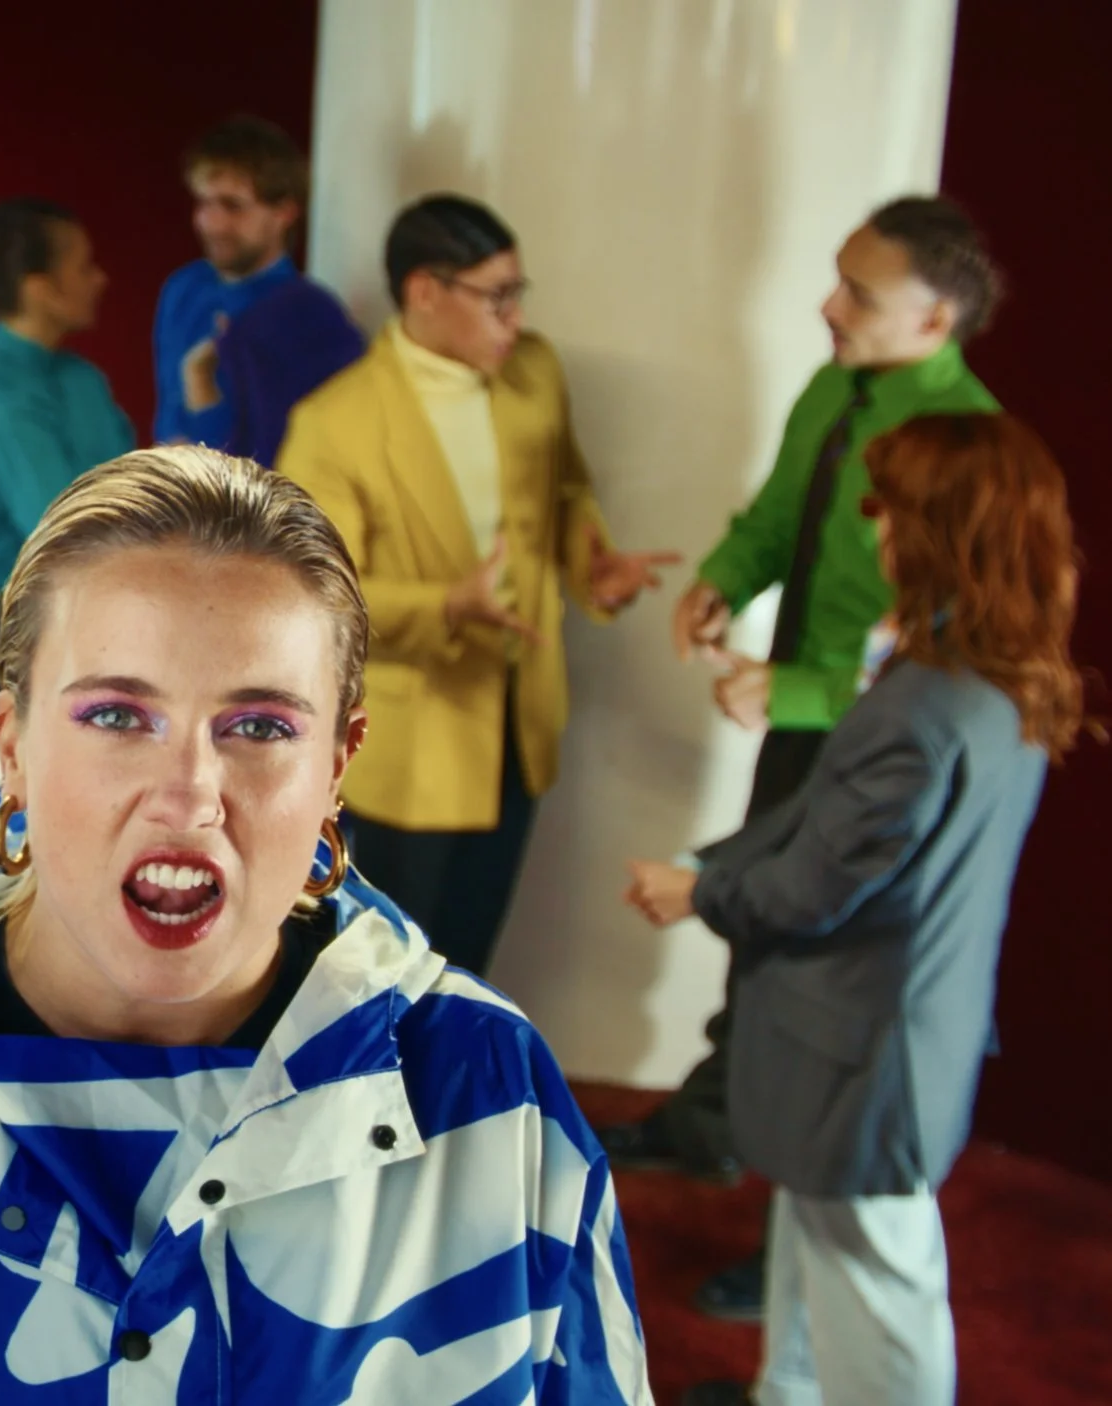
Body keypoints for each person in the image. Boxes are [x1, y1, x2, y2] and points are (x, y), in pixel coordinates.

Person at [0, 447, 653, 1402]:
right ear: (9, 745)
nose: (188, 792)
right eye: (115, 715)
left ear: (337, 764)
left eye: (259, 725)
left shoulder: (490, 1100)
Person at [624, 413, 1085, 1406]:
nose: (873, 530)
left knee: (878, 1275)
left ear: (936, 531)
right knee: (818, 1224)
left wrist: (699, 888)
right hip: (903, 1021)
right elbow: (837, 827)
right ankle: (784, 1390)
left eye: (888, 510)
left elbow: (814, 886)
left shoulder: (919, 709)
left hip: (863, 1041)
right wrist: (711, 864)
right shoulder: (990, 676)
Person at [596, 196, 1003, 1320]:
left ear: (938, 316)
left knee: (827, 990)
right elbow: (778, 513)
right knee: (760, 946)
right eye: (836, 279)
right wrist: (726, 576)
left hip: (875, 739)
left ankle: (792, 1253)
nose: (827, 306)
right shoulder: (835, 386)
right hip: (798, 722)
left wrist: (801, 685)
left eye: (858, 294)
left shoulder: (965, 444)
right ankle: (713, 1131)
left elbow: (961, 654)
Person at [278, 194, 677, 976]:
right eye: (498, 297)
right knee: (385, 974)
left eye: (519, 293)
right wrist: (446, 607)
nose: (515, 318)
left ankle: (457, 1101)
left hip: (515, 727)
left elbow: (565, 495)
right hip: (411, 743)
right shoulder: (337, 421)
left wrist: (592, 567)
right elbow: (312, 601)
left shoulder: (535, 372)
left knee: (468, 968)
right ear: (425, 291)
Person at [0, 197, 133, 723]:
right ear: (39, 289)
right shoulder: (0, 400)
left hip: (98, 625)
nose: (100, 279)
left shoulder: (82, 379)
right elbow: (66, 531)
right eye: (82, 266)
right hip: (24, 643)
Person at [150, 115, 360, 458]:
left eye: (233, 206)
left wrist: (202, 386)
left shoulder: (312, 315)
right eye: (204, 203)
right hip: (177, 497)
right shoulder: (184, 289)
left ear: (285, 213)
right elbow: (168, 421)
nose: (212, 223)